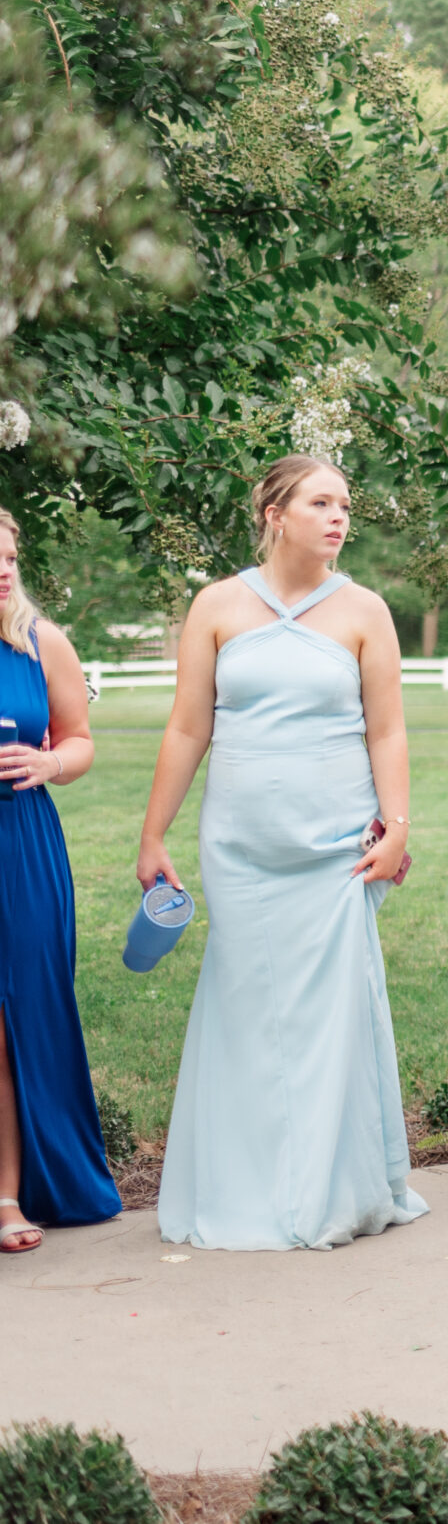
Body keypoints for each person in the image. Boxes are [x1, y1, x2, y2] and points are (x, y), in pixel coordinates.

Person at [141, 456, 427, 1251]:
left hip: (336, 847)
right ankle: (242, 1186)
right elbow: (188, 727)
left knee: (331, 1016)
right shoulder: (218, 605)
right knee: (246, 1009)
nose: (340, 516)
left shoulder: (366, 609)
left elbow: (388, 729)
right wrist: (153, 832)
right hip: (240, 848)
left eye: (345, 503)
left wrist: (396, 822)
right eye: (321, 501)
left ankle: (329, 1192)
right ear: (274, 509)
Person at [0, 509, 118, 1251]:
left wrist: (49, 763)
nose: (5, 571)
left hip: (20, 845)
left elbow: (79, 741)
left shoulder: (42, 641)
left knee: (13, 1020)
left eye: (8, 556)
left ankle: (8, 1194)